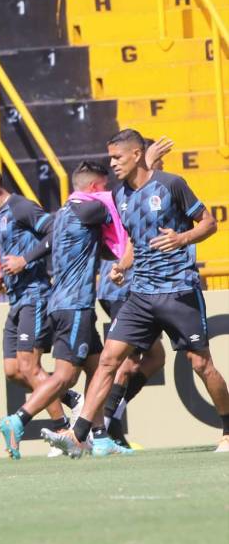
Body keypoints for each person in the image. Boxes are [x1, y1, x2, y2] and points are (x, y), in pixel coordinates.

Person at [44, 129, 229, 456]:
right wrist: (122, 265)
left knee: (201, 365)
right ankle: (79, 435)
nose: (112, 163)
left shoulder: (171, 185)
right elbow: (132, 239)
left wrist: (181, 238)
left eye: (117, 157)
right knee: (108, 360)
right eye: (110, 157)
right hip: (140, 293)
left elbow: (208, 223)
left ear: (136, 155)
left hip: (177, 289)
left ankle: (228, 430)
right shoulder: (119, 196)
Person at [0, 162, 112, 459]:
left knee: (98, 369)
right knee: (65, 376)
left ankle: (100, 438)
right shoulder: (88, 211)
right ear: (96, 189)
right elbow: (118, 207)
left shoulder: (62, 215)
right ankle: (18, 420)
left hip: (62, 302)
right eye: (105, 187)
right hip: (75, 305)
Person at [0, 164, 77, 451]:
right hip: (15, 299)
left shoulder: (20, 207)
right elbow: (13, 258)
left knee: (30, 367)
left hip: (35, 296)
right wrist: (3, 278)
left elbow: (57, 230)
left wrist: (25, 261)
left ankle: (63, 431)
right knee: (13, 370)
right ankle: (71, 398)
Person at [99, 137, 171, 447]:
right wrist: (149, 165)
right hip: (127, 287)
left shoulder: (147, 190)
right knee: (124, 361)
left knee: (154, 357)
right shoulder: (128, 192)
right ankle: (103, 424)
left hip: (131, 284)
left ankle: (109, 420)